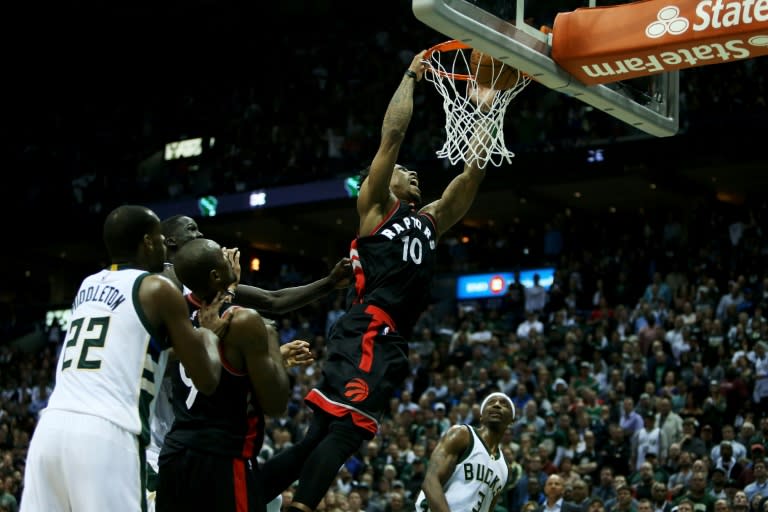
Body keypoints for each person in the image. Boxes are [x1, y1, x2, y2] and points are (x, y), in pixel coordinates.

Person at [261, 49, 497, 511]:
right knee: (350, 426)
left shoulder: (429, 220)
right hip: (370, 327)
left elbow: (471, 177)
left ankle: (246, 496)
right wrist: (412, 73)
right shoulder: (374, 209)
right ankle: (301, 507)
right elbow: (392, 136)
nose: (413, 174)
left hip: (386, 336)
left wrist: (488, 110)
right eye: (406, 171)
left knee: (318, 439)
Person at [20, 205, 227, 512]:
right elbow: (207, 380)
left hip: (50, 430)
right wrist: (210, 333)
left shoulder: (86, 285)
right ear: (148, 242)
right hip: (107, 432)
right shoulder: (157, 288)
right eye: (159, 238)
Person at [145, 214, 351, 495]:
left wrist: (328, 283)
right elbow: (171, 356)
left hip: (183, 437)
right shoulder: (163, 283)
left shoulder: (209, 291)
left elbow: (272, 300)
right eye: (192, 228)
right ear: (170, 240)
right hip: (172, 435)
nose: (200, 233)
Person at [155, 238, 310, 512]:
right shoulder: (244, 321)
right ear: (215, 275)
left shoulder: (175, 315)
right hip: (224, 458)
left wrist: (229, 290)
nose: (230, 259)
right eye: (222, 258)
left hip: (175, 455)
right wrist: (270, 338)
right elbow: (276, 404)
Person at [415, 392, 516, 512]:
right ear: (481, 416)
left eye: (504, 404)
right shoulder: (462, 435)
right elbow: (430, 482)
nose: (497, 405)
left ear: (511, 421)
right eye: (491, 402)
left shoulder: (504, 468)